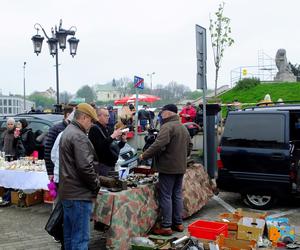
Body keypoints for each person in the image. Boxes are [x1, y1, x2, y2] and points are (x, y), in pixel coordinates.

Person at [139, 104, 192, 236]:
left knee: (166, 195)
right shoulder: (182, 127)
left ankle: (166, 225)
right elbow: (190, 145)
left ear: (168, 113)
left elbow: (158, 144)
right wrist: (182, 157)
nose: (161, 115)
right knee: (177, 194)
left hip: (168, 168)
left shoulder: (167, 126)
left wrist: (144, 155)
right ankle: (178, 223)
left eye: (162, 113)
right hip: (180, 167)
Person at [59, 103, 101, 250]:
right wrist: (96, 185)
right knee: (80, 238)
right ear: (84, 117)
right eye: (91, 121)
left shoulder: (69, 131)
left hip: (69, 193)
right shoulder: (78, 136)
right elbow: (85, 167)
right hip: (79, 194)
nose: (92, 124)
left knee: (70, 236)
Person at [88, 107, 126, 176]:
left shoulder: (107, 128)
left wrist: (123, 141)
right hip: (102, 166)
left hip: (111, 165)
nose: (108, 117)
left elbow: (114, 148)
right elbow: (99, 148)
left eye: (108, 115)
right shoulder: (94, 129)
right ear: (98, 116)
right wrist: (112, 136)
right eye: (106, 115)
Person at [44, 106, 74, 181]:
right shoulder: (56, 129)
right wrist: (50, 172)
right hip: (58, 171)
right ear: (68, 115)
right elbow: (48, 151)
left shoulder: (74, 129)